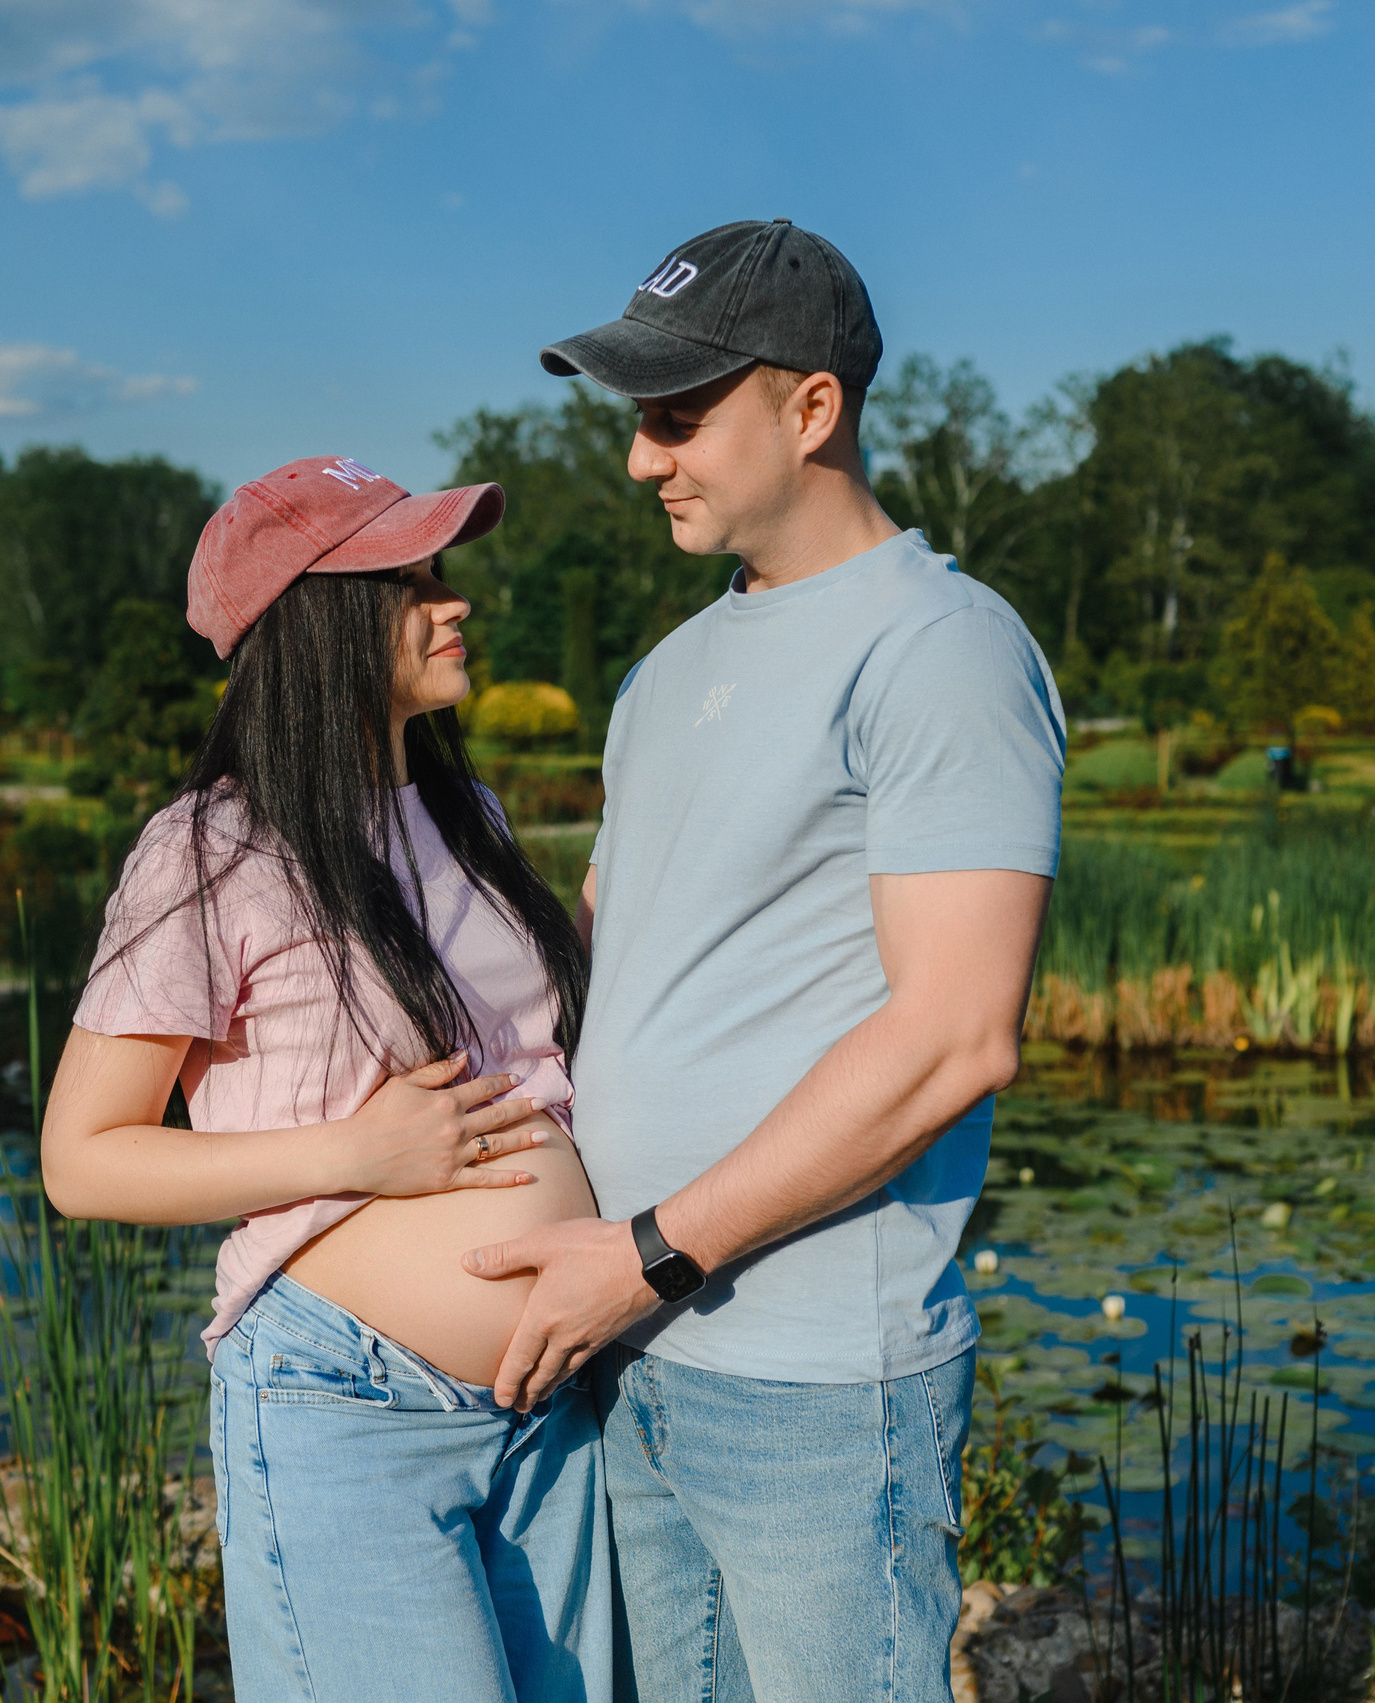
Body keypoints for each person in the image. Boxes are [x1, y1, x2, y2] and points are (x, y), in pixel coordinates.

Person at [462, 220, 1068, 1702]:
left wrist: (651, 1249)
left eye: (678, 416)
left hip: (807, 1376)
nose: (638, 458)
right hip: (632, 1351)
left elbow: (952, 1036)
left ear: (813, 409)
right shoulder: (663, 673)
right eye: (637, 420)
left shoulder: (940, 648)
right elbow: (605, 976)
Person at [40, 456, 615, 1703]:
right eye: (407, 582)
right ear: (315, 620)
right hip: (350, 1403)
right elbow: (82, 1158)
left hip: (544, 1402)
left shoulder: (473, 813)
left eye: (440, 574)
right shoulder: (209, 846)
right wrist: (353, 1157)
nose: (451, 602)